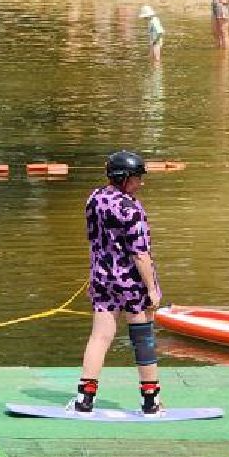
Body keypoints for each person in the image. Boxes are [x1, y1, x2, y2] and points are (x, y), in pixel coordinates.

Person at [70, 151, 165, 415]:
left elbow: (97, 240)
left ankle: (85, 399)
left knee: (99, 338)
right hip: (132, 283)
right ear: (124, 178)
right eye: (136, 178)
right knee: (143, 340)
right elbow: (140, 253)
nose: (141, 183)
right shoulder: (131, 208)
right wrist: (152, 289)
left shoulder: (94, 199)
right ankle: (151, 401)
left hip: (102, 279)